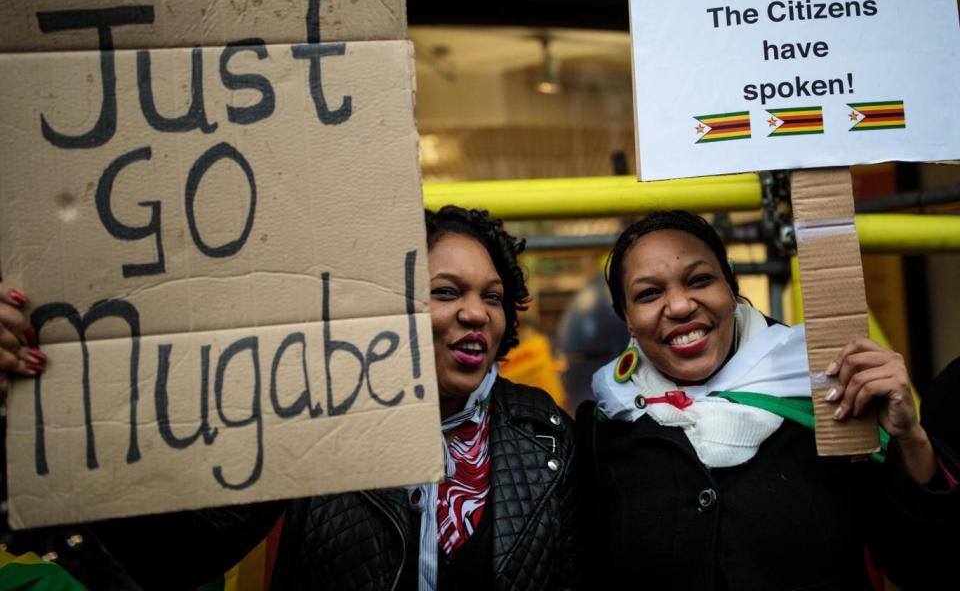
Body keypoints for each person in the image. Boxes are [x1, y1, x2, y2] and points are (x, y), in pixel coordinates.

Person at [0, 206, 581, 590]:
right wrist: (31, 397)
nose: (476, 313)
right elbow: (171, 552)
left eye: (494, 297)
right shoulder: (313, 417)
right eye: (445, 292)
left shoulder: (546, 432)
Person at [578, 210, 959, 591]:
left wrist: (911, 438)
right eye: (649, 293)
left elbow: (926, 566)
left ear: (730, 286)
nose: (679, 306)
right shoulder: (605, 428)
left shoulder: (830, 389)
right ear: (626, 317)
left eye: (700, 280)